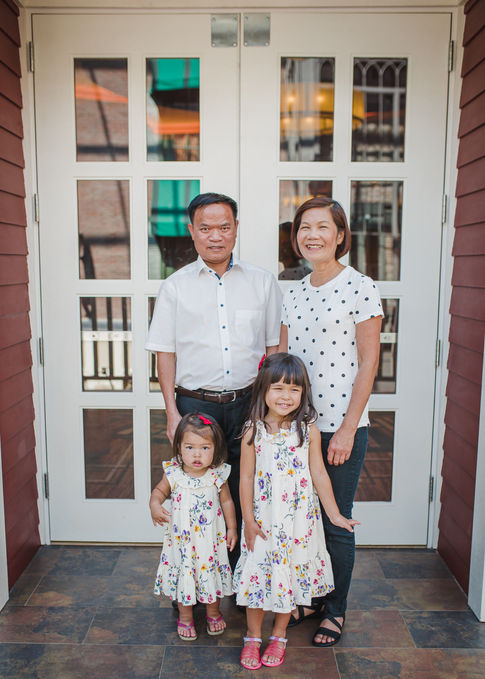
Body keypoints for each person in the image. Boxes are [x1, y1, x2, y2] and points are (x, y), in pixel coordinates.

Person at [145, 192, 282, 566]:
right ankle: (197, 578)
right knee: (197, 493)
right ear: (191, 231)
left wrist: (272, 410)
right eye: (205, 228)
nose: (216, 236)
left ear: (236, 228)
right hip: (195, 404)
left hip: (249, 403)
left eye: (224, 227)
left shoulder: (262, 282)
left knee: (247, 486)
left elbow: (274, 348)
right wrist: (172, 413)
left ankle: (243, 576)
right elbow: (165, 353)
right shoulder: (175, 286)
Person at [279, 196, 383, 647]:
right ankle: (312, 598)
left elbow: (369, 363)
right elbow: (281, 362)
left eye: (323, 226)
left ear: (340, 235)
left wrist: (346, 428)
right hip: (297, 429)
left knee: (336, 519)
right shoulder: (294, 292)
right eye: (305, 227)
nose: (312, 235)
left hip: (341, 426)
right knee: (303, 518)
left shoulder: (361, 287)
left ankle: (335, 609)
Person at [233, 353, 358, 668]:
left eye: (294, 389)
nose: (285, 396)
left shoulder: (308, 430)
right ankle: (252, 636)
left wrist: (334, 514)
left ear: (303, 393)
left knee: (288, 577)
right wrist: (248, 519)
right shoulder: (253, 431)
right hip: (263, 521)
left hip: (298, 523)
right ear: (263, 390)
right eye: (278, 388)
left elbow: (319, 474)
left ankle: (279, 635)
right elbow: (245, 478)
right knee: (258, 575)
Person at [150, 413, 237, 641]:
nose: (197, 454)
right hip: (183, 542)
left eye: (205, 448)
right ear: (179, 447)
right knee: (184, 573)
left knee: (211, 573)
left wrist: (232, 528)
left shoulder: (217, 473)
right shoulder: (174, 473)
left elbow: (227, 501)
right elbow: (159, 491)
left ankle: (213, 612)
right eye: (190, 447)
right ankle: (186, 616)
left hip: (210, 541)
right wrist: (154, 504)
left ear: (216, 449)